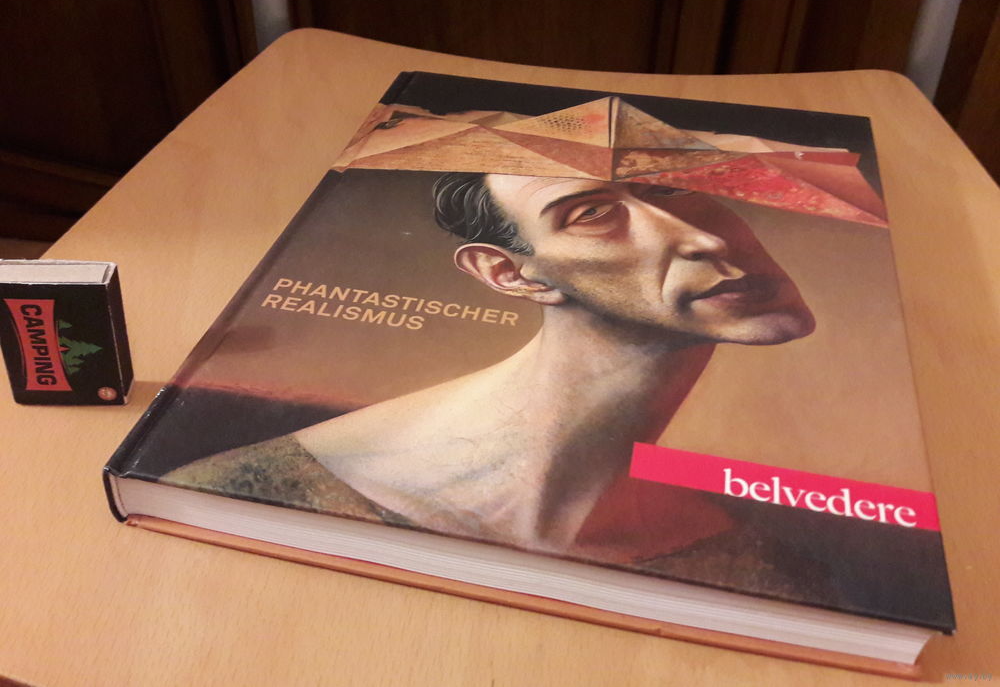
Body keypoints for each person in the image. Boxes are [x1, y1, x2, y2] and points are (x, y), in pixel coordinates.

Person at [164, 172, 815, 563]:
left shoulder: (759, 542)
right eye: (592, 214)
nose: (704, 238)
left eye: (667, 188)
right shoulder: (260, 492)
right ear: (511, 275)